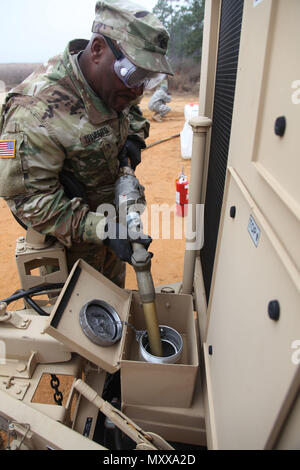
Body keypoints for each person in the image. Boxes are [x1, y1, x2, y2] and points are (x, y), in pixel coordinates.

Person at [0, 0, 173, 288]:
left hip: (113, 233)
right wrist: (103, 230)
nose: (138, 89)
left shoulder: (116, 83)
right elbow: (30, 202)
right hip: (71, 257)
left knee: (119, 312)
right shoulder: (33, 114)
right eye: (133, 74)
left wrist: (132, 138)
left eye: (148, 77)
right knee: (85, 326)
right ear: (97, 50)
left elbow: (131, 111)